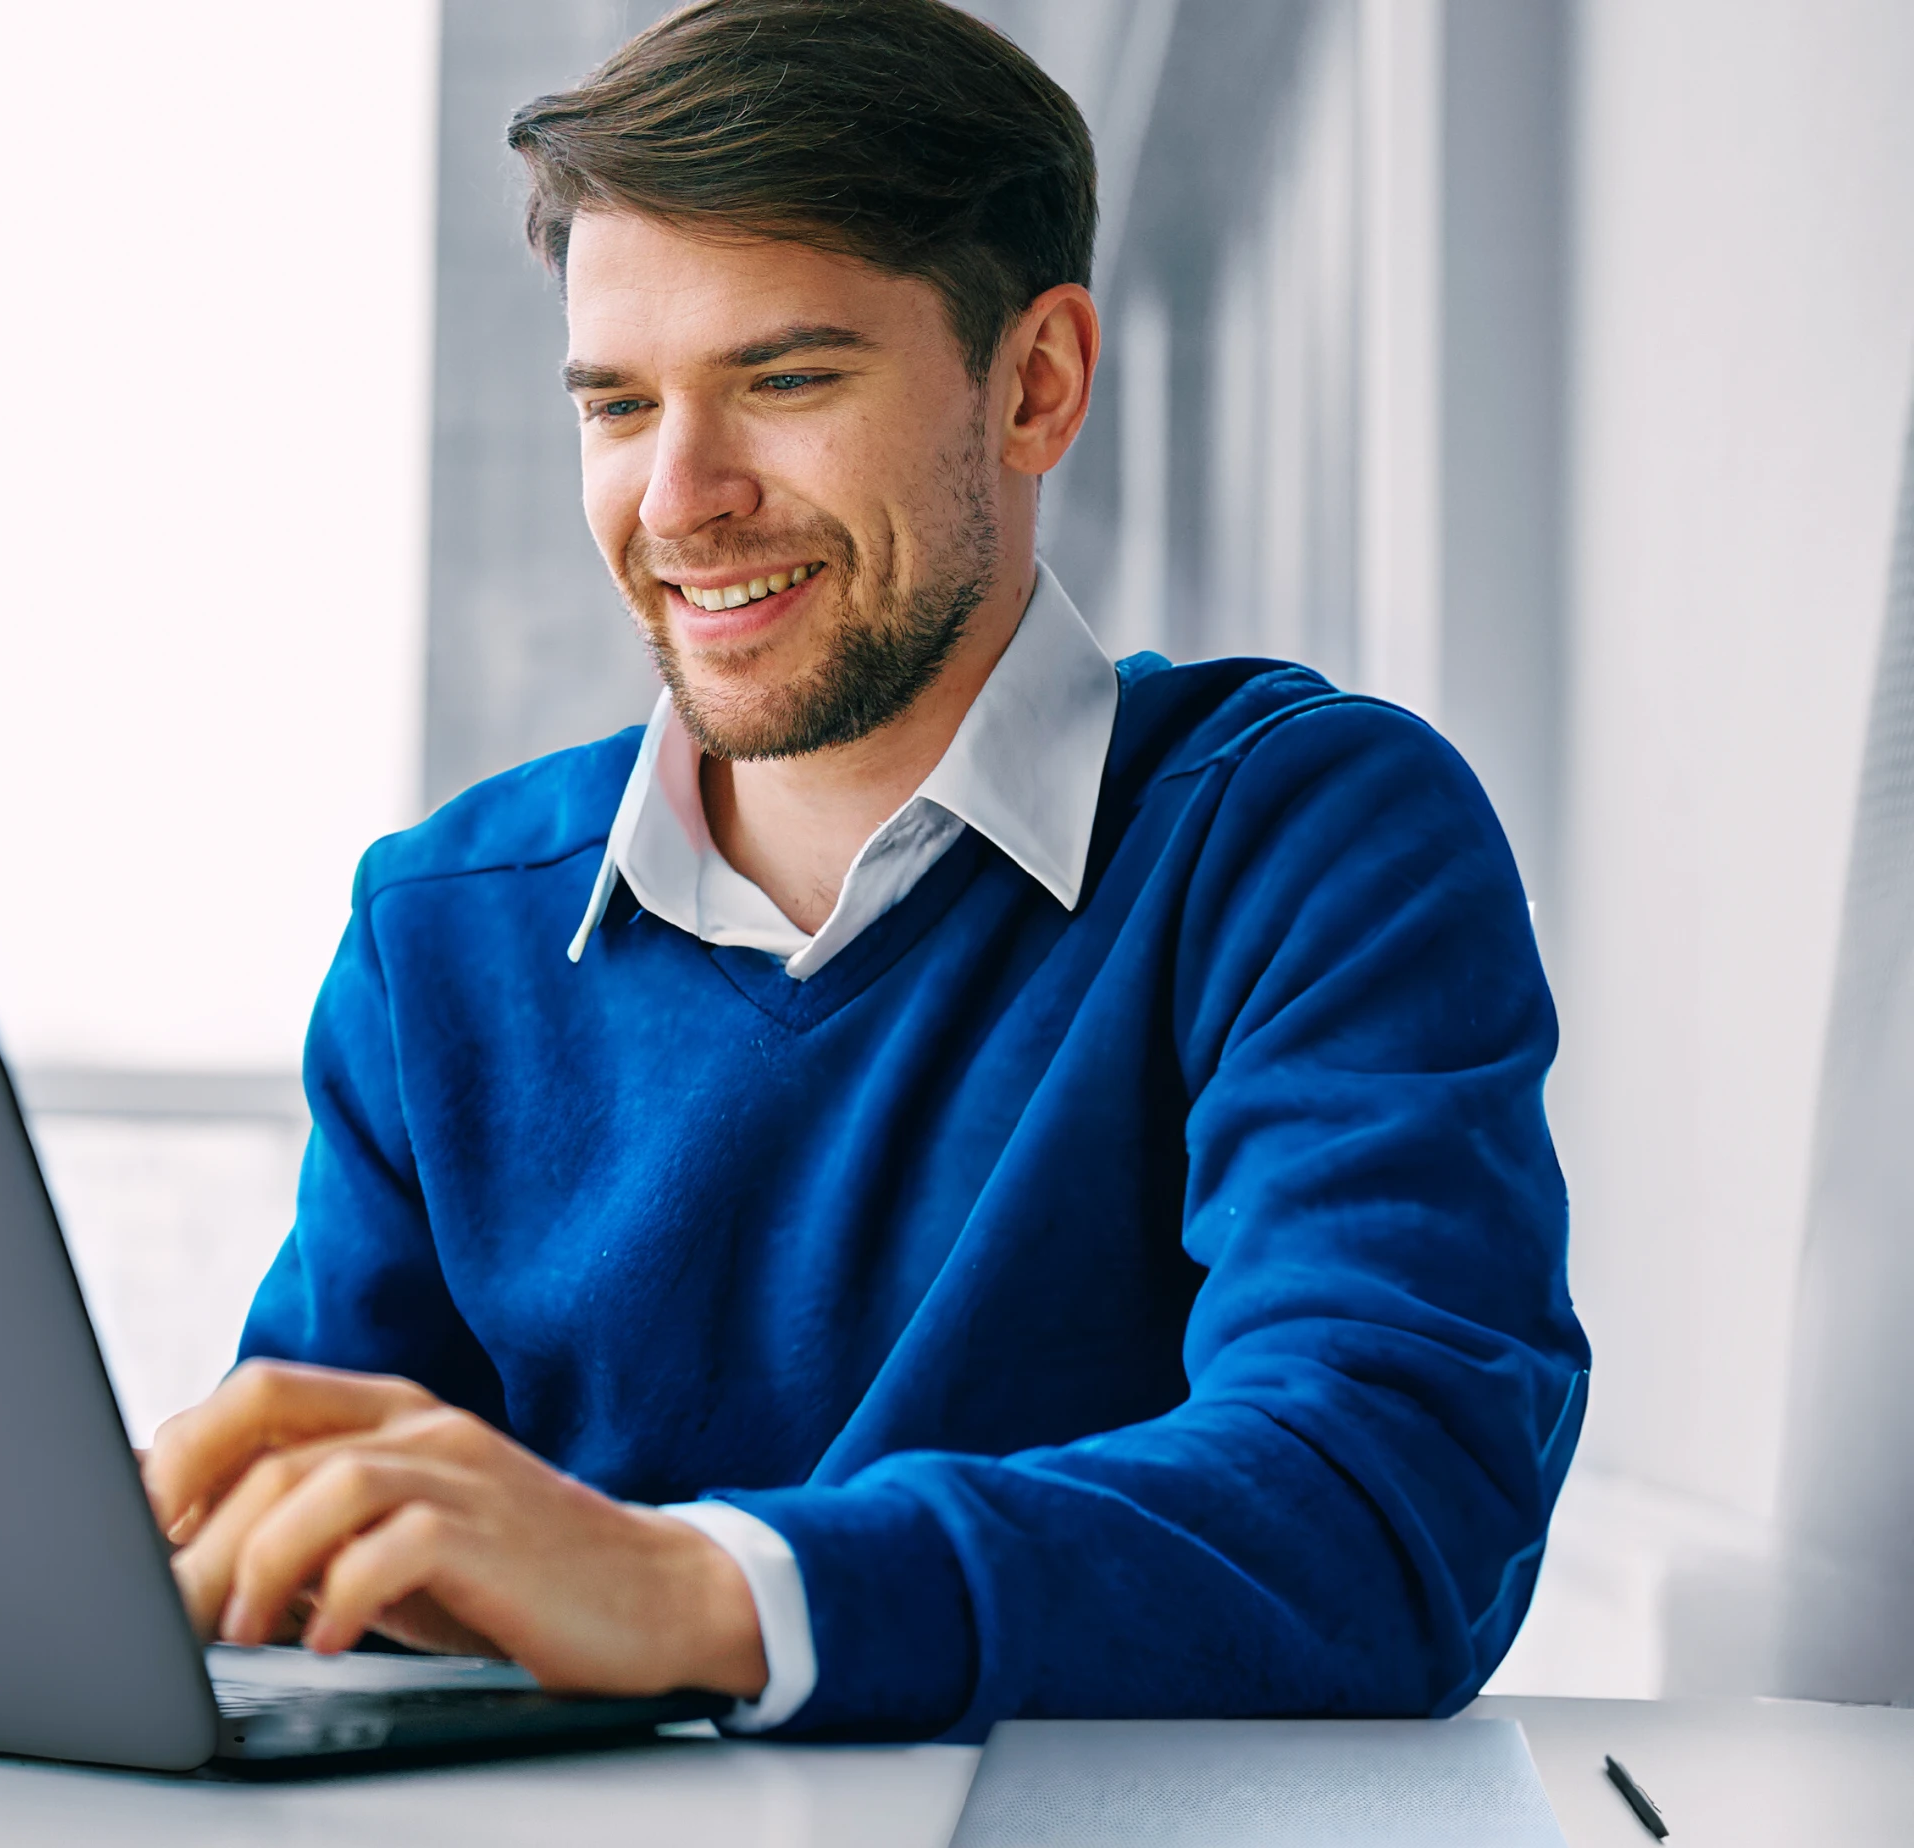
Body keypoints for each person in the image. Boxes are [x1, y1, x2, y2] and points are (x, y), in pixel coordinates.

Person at [138, 0, 1590, 1742]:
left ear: (1035, 384)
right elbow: (323, 1559)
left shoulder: (1306, 842)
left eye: (786, 379)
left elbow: (1383, 1506)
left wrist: (695, 1589)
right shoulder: (438, 929)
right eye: (619, 405)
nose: (681, 499)